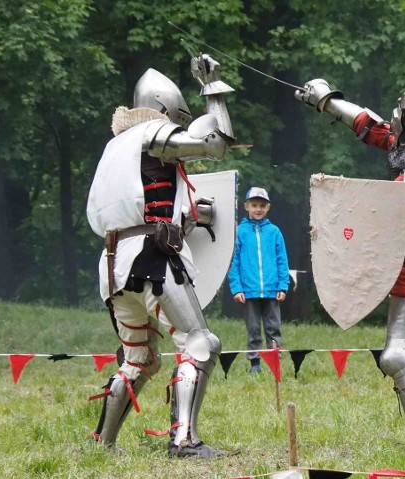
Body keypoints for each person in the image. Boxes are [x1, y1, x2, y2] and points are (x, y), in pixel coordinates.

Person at [295, 79, 405, 449]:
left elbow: (387, 237)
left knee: (399, 354)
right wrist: (328, 100)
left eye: (400, 113)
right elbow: (373, 128)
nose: (394, 119)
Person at [86, 54, 236, 458]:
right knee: (200, 343)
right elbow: (216, 145)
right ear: (166, 111)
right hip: (152, 259)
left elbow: (155, 202)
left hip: (113, 264)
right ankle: (184, 440)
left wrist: (196, 214)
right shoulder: (153, 134)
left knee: (138, 360)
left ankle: (102, 442)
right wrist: (213, 88)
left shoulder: (115, 149)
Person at [227, 187, 291, 373]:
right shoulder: (239, 231)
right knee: (253, 329)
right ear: (246, 206)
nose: (258, 209)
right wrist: (236, 288)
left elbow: (282, 260)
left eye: (262, 205)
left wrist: (283, 285)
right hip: (248, 291)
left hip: (272, 290)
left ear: (268, 207)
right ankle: (255, 364)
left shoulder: (274, 232)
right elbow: (233, 261)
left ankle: (274, 362)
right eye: (254, 205)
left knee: (273, 328)